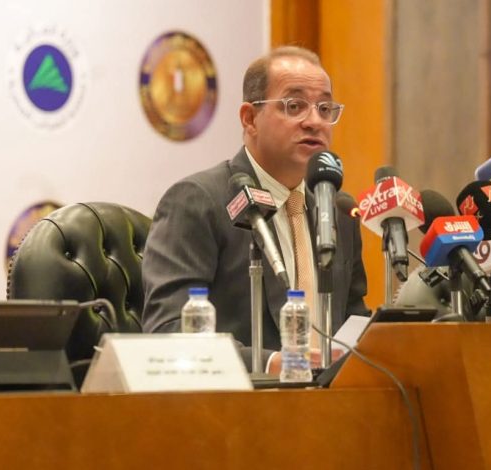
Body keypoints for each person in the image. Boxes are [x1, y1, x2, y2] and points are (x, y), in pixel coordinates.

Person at [141, 46, 368, 372]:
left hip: (331, 397)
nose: (314, 122)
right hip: (240, 398)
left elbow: (352, 318)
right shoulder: (198, 201)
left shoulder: (337, 210)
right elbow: (169, 330)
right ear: (250, 119)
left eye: (324, 108)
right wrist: (271, 363)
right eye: (294, 106)